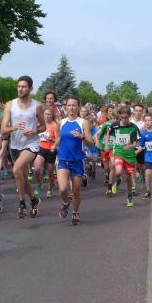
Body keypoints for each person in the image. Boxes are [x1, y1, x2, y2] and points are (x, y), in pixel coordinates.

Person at [1, 76, 44, 218]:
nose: (20, 89)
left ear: (30, 89)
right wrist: (13, 127)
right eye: (19, 86)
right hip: (15, 145)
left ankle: (21, 203)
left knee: (16, 170)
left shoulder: (37, 105)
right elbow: (3, 129)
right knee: (22, 177)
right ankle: (34, 199)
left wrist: (35, 131)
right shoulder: (10, 104)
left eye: (24, 86)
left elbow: (43, 126)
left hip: (31, 144)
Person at [54, 96, 94, 225]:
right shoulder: (61, 122)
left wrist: (82, 137)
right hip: (63, 159)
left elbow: (91, 143)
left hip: (77, 160)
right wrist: (54, 145)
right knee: (62, 189)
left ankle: (75, 213)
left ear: (78, 107)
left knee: (76, 191)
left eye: (74, 105)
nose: (71, 108)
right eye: (69, 105)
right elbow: (58, 138)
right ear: (66, 107)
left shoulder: (83, 123)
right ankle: (66, 203)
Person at [106, 105, 140, 207]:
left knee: (129, 178)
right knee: (118, 171)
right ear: (120, 116)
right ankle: (118, 181)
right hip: (119, 152)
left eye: (126, 118)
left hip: (129, 155)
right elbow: (108, 133)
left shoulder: (133, 128)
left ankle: (129, 196)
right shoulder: (115, 125)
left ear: (130, 116)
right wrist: (107, 145)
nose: (124, 120)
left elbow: (135, 143)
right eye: (122, 117)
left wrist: (130, 146)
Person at [33, 107, 58, 198]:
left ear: (52, 115)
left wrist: (51, 139)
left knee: (50, 172)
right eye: (45, 114)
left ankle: (50, 188)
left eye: (49, 114)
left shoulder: (55, 125)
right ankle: (39, 184)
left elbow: (58, 139)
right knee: (36, 169)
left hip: (51, 150)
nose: (47, 116)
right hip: (41, 149)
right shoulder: (40, 124)